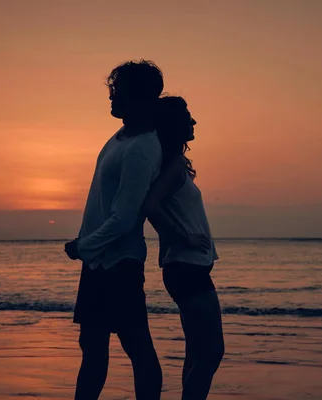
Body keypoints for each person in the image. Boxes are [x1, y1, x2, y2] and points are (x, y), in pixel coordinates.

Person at [64, 60, 164, 400]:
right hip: (99, 262)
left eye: (117, 92)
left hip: (119, 263)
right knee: (92, 346)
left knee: (136, 346)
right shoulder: (122, 136)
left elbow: (124, 218)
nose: (111, 98)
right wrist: (88, 249)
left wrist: (83, 246)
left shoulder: (140, 149)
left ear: (138, 97)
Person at [143, 96, 225, 400]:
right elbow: (151, 206)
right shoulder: (174, 165)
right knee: (212, 351)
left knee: (196, 351)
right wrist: (183, 238)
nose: (194, 122)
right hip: (187, 269)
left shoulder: (172, 163)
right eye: (188, 118)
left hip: (185, 269)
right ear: (175, 125)